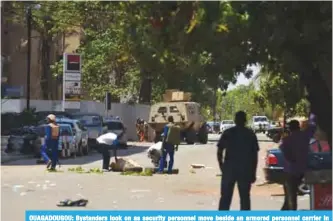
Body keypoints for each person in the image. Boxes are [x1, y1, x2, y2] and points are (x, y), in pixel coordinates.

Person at [217, 111, 259, 210]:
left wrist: (222, 166)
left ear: (235, 120)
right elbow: (254, 156)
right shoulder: (250, 134)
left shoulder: (228, 132)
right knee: (245, 199)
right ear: (245, 120)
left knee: (225, 199)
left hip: (229, 169)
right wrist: (253, 172)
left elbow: (219, 151)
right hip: (245, 170)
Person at [279, 114, 316, 210]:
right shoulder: (305, 137)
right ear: (298, 127)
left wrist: (292, 159)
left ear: (290, 128)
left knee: (291, 199)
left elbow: (284, 151)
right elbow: (312, 126)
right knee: (288, 200)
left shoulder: (287, 140)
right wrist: (312, 113)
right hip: (302, 170)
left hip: (290, 172)